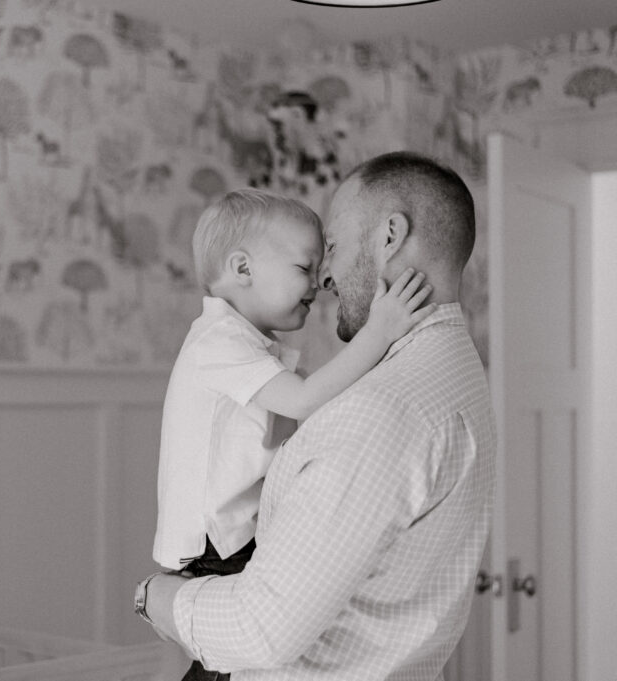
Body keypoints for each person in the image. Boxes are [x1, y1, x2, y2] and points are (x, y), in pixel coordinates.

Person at [136, 152, 495, 681]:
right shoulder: (455, 377)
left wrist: (152, 596)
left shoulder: (381, 414)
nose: (323, 277)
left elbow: (259, 631)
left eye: (331, 247)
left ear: (390, 236)